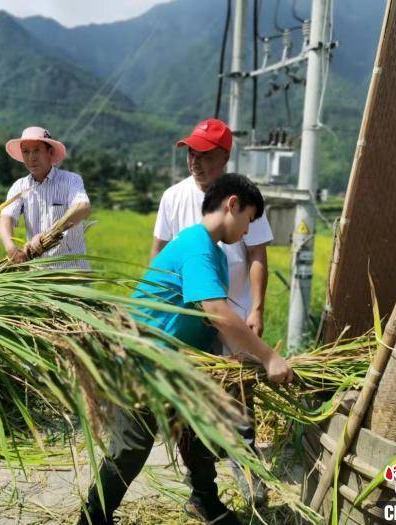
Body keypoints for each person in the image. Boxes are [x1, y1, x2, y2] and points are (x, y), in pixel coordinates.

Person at [78, 175, 292, 525]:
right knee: (131, 447)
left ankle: (204, 501)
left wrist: (237, 356)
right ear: (232, 204)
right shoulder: (197, 246)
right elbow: (216, 311)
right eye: (248, 220)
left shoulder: (215, 254)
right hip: (142, 359)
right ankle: (93, 518)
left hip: (176, 362)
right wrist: (269, 356)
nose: (247, 231)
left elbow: (206, 322)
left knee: (196, 429)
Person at [151, 118, 274, 503]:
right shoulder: (173, 198)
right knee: (192, 406)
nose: (195, 161)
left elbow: (257, 254)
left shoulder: (242, 197)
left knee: (239, 397)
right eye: (191, 152)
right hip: (192, 326)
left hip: (230, 317)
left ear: (224, 157)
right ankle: (202, 489)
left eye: (204, 155)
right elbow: (159, 256)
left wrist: (256, 307)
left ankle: (249, 477)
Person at [0, 126, 91, 269]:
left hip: (72, 273)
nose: (31, 157)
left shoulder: (70, 180)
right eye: (26, 152)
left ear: (50, 152)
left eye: (37, 150)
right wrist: (11, 249)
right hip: (38, 277)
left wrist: (46, 235)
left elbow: (82, 207)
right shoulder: (20, 187)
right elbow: (6, 218)